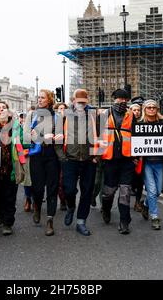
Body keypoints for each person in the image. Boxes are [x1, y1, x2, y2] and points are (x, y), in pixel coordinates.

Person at [56, 89, 98, 236]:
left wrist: (96, 157)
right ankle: (71, 206)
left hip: (88, 161)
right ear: (73, 101)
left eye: (84, 102)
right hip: (70, 160)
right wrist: (63, 157)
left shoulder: (94, 116)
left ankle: (81, 222)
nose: (81, 104)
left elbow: (102, 137)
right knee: (68, 190)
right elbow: (58, 139)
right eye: (79, 102)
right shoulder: (64, 116)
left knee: (87, 192)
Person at [23, 89, 61, 236]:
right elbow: (26, 136)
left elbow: (62, 135)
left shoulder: (57, 116)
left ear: (49, 100)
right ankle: (37, 206)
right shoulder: (32, 115)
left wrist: (58, 136)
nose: (39, 100)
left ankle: (50, 221)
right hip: (37, 156)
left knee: (52, 188)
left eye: (43, 98)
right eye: (38, 97)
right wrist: (39, 136)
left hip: (52, 155)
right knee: (38, 188)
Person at [98, 88, 135, 234]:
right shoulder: (104, 114)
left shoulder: (131, 115)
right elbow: (95, 136)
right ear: (114, 99)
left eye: (125, 99)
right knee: (109, 191)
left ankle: (124, 222)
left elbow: (138, 136)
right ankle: (105, 209)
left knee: (125, 192)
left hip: (127, 160)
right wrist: (96, 156)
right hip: (110, 160)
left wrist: (136, 157)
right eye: (120, 99)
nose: (123, 102)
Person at [134, 100, 163, 230]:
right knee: (151, 191)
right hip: (146, 163)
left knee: (158, 191)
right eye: (149, 107)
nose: (151, 109)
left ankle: (145, 204)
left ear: (157, 110)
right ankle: (155, 216)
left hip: (160, 163)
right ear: (144, 109)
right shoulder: (139, 125)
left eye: (153, 107)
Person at [0, 101, 23, 235]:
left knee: (9, 197)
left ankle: (7, 223)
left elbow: (23, 142)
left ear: (8, 111)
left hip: (10, 167)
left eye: (4, 107)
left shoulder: (16, 126)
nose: (1, 110)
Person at [53, 102, 69, 211]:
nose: (61, 111)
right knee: (60, 179)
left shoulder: (71, 121)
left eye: (63, 108)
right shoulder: (55, 123)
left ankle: (68, 198)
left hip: (71, 154)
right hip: (59, 155)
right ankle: (63, 200)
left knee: (68, 180)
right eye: (59, 109)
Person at [129, 103, 144, 212]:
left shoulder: (144, 123)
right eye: (134, 110)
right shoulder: (127, 124)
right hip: (129, 158)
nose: (137, 112)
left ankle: (138, 202)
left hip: (141, 157)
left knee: (139, 182)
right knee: (130, 182)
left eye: (138, 110)